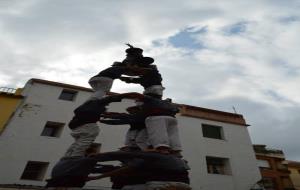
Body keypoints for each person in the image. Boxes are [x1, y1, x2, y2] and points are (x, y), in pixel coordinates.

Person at [63, 94, 128, 158]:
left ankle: (68, 156)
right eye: (106, 104)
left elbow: (102, 113)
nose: (107, 105)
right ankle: (75, 157)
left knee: (77, 143)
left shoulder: (86, 107)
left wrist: (112, 115)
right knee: (83, 143)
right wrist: (126, 95)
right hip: (86, 126)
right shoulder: (97, 103)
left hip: (76, 127)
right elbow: (108, 99)